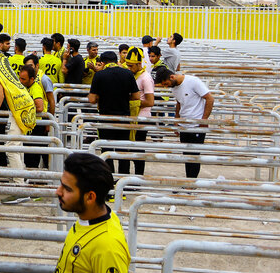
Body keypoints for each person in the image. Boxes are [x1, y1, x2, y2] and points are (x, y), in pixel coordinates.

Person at [0, 36, 36, 181]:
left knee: (12, 148)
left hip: (20, 108)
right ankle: (20, 182)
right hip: (20, 106)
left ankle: (19, 187)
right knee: (17, 147)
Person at [152, 66, 213, 179]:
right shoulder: (174, 88)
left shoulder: (193, 81)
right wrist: (177, 121)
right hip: (184, 124)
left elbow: (209, 98)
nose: (166, 86)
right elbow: (179, 103)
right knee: (186, 154)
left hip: (196, 125)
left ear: (172, 76)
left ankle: (191, 183)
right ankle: (188, 181)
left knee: (194, 156)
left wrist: (204, 120)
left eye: (166, 83)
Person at [88, 51, 139, 176]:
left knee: (107, 151)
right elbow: (136, 96)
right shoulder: (128, 74)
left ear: (103, 63)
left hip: (106, 118)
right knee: (123, 150)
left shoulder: (99, 75)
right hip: (124, 117)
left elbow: (92, 99)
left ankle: (109, 181)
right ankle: (123, 182)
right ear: (116, 61)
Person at [124, 47, 154, 177]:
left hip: (141, 118)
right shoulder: (131, 75)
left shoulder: (145, 78)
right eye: (128, 65)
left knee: (138, 149)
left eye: (131, 66)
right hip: (131, 116)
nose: (129, 68)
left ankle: (138, 176)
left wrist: (131, 102)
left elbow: (150, 101)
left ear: (139, 64)